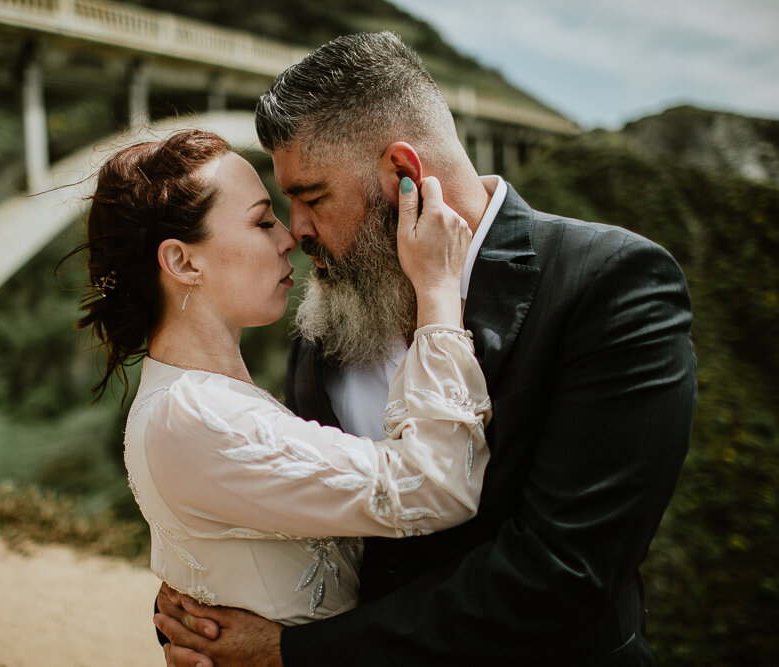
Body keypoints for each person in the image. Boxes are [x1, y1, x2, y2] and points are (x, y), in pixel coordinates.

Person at [154, 32, 697, 665]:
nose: (296, 231)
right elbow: (299, 523)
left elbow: (565, 575)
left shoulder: (611, 284)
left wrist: (296, 654)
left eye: (312, 198)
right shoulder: (328, 318)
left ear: (405, 175)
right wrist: (200, 625)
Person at [69, 129, 495, 629]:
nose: (288, 236)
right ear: (183, 262)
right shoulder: (196, 415)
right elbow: (434, 487)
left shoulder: (200, 402)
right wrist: (439, 290)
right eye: (262, 220)